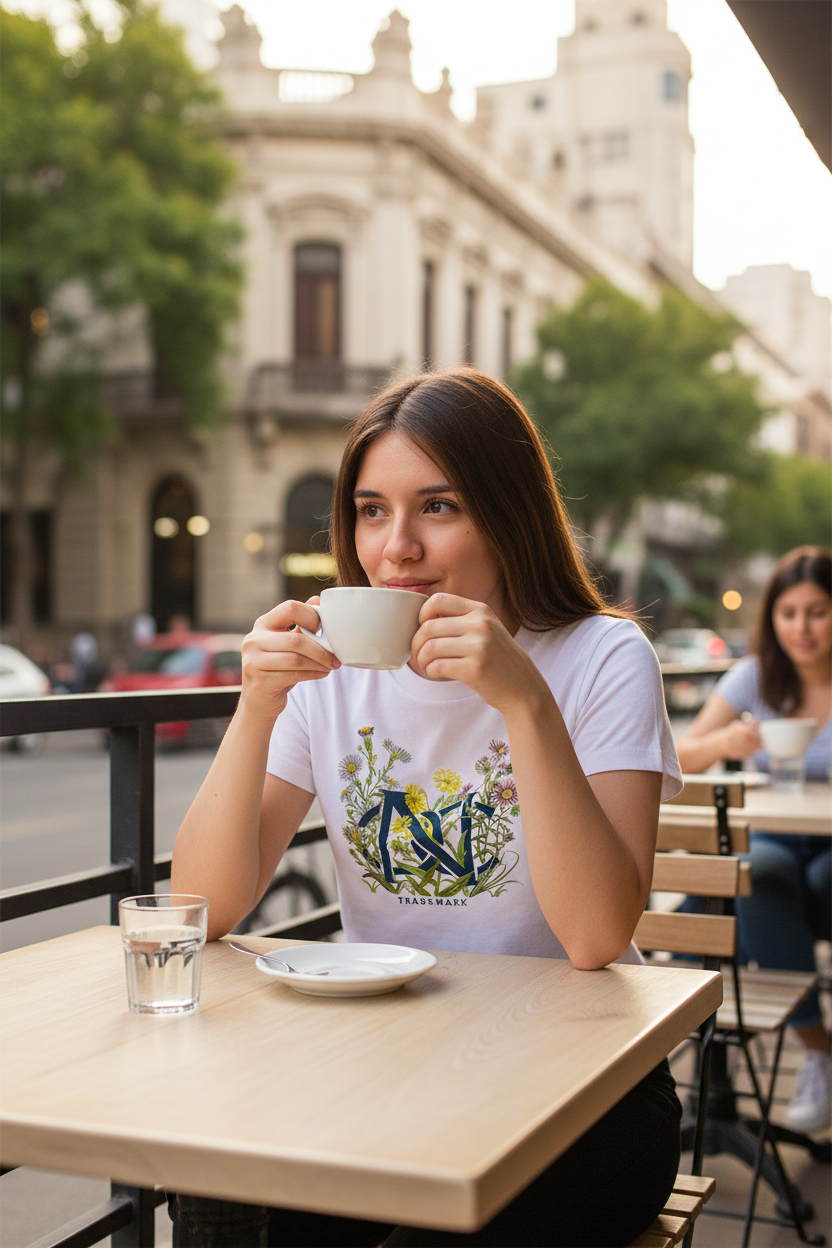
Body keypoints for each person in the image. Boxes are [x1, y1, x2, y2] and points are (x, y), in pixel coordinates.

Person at [171, 368, 683, 1247]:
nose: (394, 546)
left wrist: (523, 701)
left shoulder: (604, 657)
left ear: (508, 513)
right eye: (372, 510)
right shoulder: (331, 677)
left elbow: (598, 936)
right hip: (383, 1075)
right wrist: (254, 709)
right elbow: (205, 908)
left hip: (580, 1095)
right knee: (224, 1195)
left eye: (437, 506)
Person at [676, 547, 832, 1134]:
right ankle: (819, 1048)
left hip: (827, 853)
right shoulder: (755, 676)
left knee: (810, 883)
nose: (801, 628)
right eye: (789, 613)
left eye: (818, 612)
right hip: (770, 839)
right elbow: (679, 754)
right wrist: (726, 744)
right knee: (758, 874)